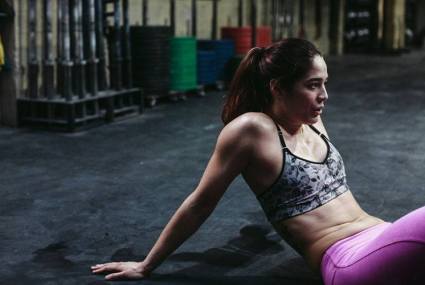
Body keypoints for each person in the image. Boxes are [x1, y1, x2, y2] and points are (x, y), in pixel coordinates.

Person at [91, 38, 425, 285]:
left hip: (381, 238)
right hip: (347, 260)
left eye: (324, 84)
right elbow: (200, 202)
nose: (324, 96)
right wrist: (146, 265)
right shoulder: (252, 129)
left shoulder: (312, 120)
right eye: (313, 86)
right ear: (278, 87)